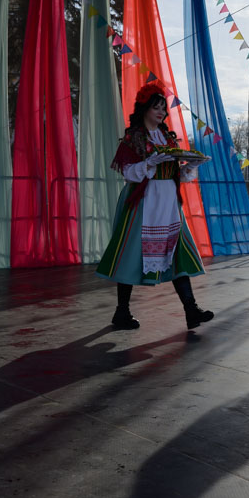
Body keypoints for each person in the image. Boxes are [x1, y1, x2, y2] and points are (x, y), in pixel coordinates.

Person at [97, 82, 214, 330]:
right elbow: (128, 173)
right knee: (131, 254)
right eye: (156, 107)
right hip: (144, 202)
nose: (161, 112)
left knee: (177, 253)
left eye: (163, 108)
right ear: (145, 108)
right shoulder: (134, 137)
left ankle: (191, 310)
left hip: (169, 203)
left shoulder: (168, 137)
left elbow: (177, 175)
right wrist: (149, 163)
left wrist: (191, 166)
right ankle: (122, 312)